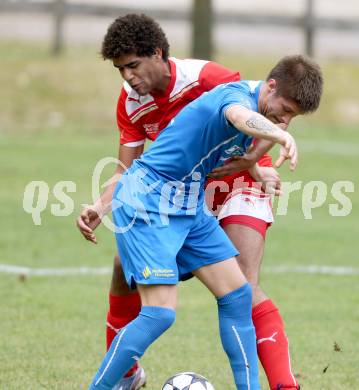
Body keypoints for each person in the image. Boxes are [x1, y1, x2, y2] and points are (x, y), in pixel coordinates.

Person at [77, 14, 323, 390]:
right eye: (285, 111)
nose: (286, 120)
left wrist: (258, 164)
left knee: (238, 295)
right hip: (149, 200)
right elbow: (238, 118)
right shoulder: (237, 96)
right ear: (270, 87)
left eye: (291, 117)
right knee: (160, 314)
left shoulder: (256, 101)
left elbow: (234, 145)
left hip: (189, 204)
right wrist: (101, 205)